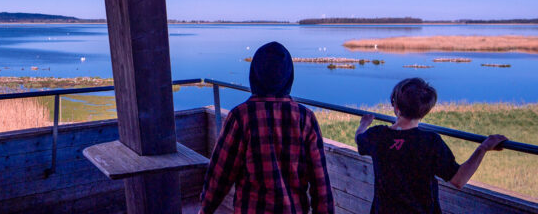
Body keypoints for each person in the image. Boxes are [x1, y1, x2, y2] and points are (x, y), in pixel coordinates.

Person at [200, 42, 334, 214]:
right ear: (288, 77)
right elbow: (321, 185)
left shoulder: (241, 116)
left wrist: (205, 208)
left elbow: (220, 175)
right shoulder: (305, 118)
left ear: (254, 75)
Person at [355, 78, 508, 214]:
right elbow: (459, 180)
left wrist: (364, 124)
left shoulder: (377, 135)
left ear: (396, 108)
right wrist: (483, 148)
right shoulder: (430, 142)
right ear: (425, 111)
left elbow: (359, 140)